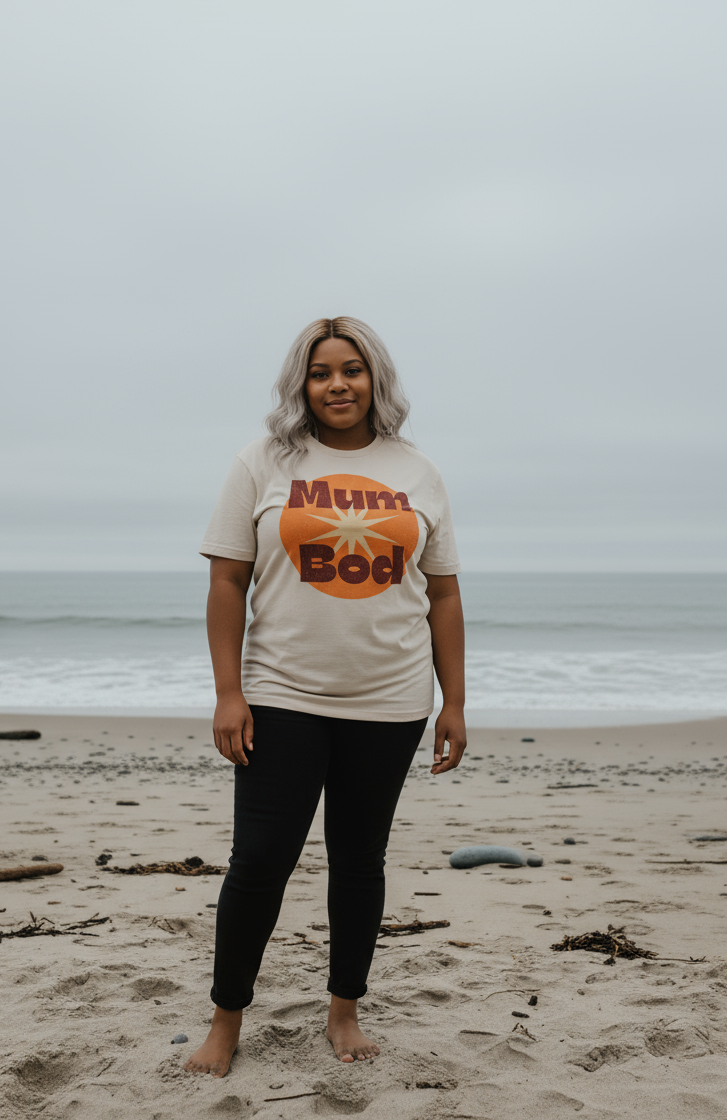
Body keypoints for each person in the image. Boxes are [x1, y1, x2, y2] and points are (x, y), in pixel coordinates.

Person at [184, 316, 466, 1077]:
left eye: (351, 369)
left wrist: (454, 702)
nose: (336, 384)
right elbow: (226, 581)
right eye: (320, 372)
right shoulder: (262, 462)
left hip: (391, 700)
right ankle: (224, 1020)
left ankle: (344, 1010)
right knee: (261, 860)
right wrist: (227, 692)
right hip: (281, 694)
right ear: (300, 385)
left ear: (376, 379)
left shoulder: (418, 470)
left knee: (359, 861)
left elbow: (442, 595)